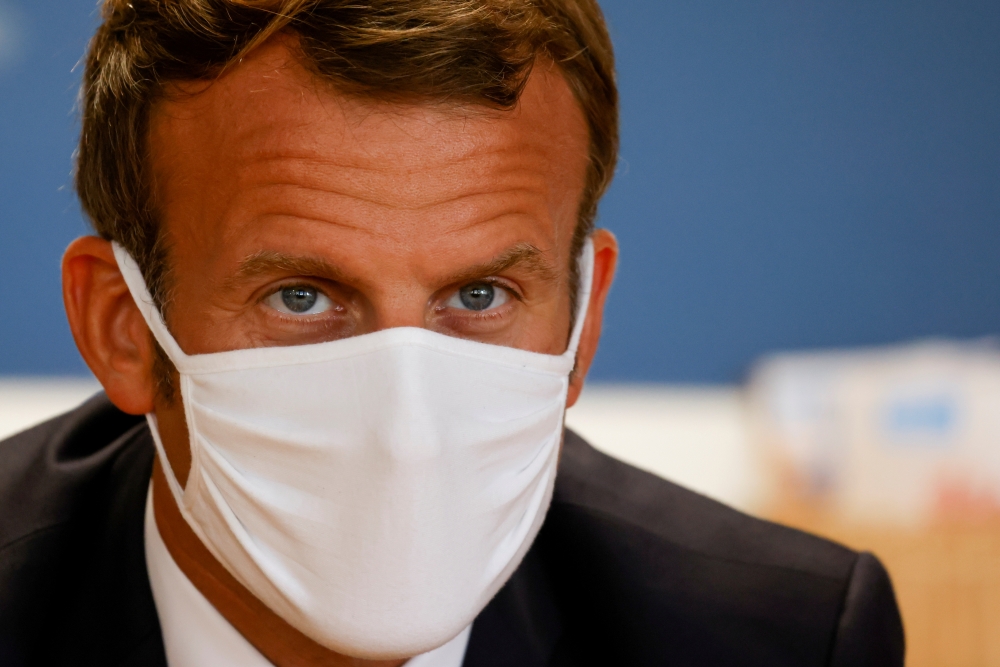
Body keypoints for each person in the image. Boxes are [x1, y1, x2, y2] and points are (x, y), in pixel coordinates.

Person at [0, 1, 905, 665]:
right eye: (302, 298)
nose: (407, 427)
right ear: (122, 328)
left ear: (581, 324)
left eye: (478, 293)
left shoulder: (778, 638)